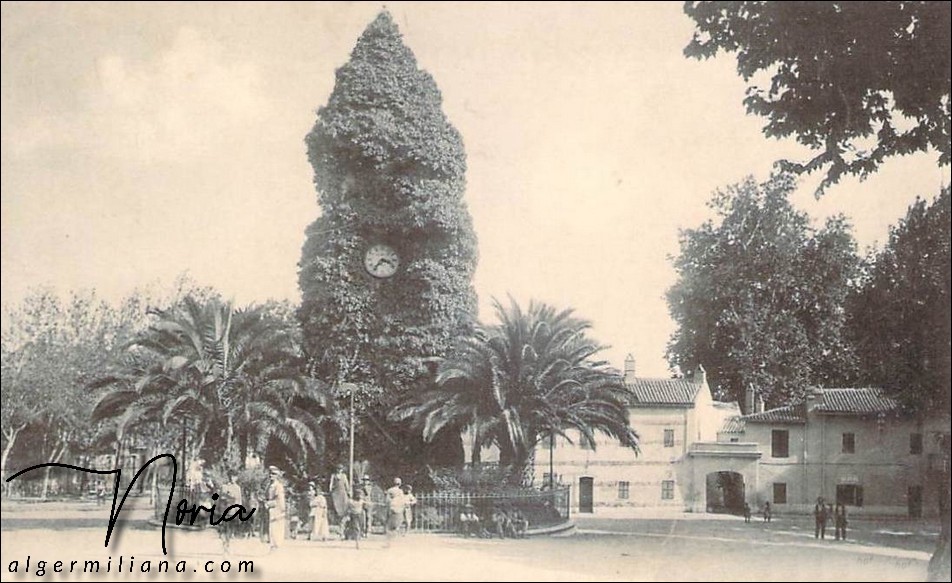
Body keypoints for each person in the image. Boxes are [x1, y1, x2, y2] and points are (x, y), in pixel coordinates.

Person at [266, 466, 287, 550]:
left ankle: (276, 546)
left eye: (273, 474)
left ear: (277, 476)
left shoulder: (278, 486)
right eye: (270, 474)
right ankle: (273, 545)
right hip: (271, 509)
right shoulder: (270, 486)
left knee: (277, 528)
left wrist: (282, 510)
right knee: (272, 528)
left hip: (277, 508)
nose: (271, 476)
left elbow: (279, 499)